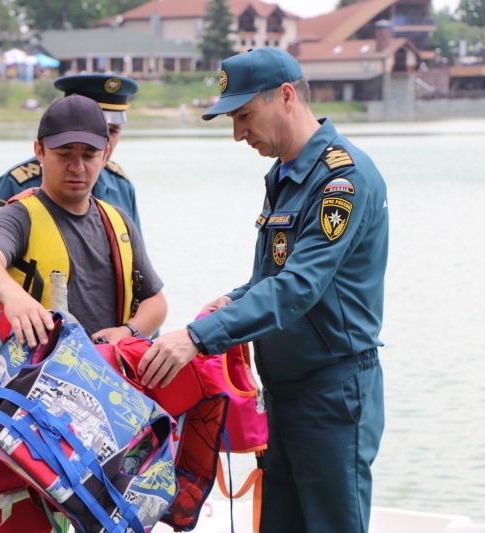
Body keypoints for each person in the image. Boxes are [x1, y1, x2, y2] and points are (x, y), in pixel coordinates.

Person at [137, 48, 388, 533]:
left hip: (332, 396)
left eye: (245, 116)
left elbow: (299, 287)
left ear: (287, 97)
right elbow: (271, 279)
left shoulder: (343, 178)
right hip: (284, 394)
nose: (238, 133)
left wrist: (199, 337)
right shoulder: (287, 176)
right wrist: (231, 302)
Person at [0, 94, 166, 348]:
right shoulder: (19, 216)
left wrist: (128, 331)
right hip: (36, 368)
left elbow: (155, 301)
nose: (77, 167)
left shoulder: (118, 222)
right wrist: (13, 296)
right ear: (40, 151)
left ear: (105, 154)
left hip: (106, 368)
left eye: (89, 155)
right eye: (64, 154)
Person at [0, 73, 141, 229]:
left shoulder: (121, 185)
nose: (104, 141)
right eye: (95, 133)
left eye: (112, 131)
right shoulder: (16, 184)